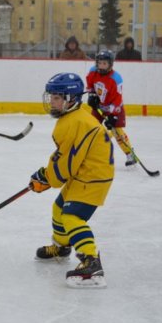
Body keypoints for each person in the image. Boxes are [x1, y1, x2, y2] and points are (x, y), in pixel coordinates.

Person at [30, 72, 114, 288]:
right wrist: (46, 173)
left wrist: (48, 177)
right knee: (59, 208)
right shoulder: (75, 116)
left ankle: (91, 261)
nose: (51, 102)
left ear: (71, 99)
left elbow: (65, 167)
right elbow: (65, 158)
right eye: (50, 97)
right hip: (85, 172)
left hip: (93, 176)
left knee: (72, 217)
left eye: (56, 98)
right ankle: (62, 246)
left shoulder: (71, 123)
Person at [86, 49, 136, 166]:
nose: (101, 66)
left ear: (110, 64)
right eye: (100, 63)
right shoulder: (93, 71)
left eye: (105, 63)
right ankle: (89, 152)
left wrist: (113, 116)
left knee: (117, 131)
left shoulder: (115, 79)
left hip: (113, 108)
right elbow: (90, 85)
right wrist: (92, 95)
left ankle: (130, 154)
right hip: (99, 106)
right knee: (91, 127)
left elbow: (117, 100)